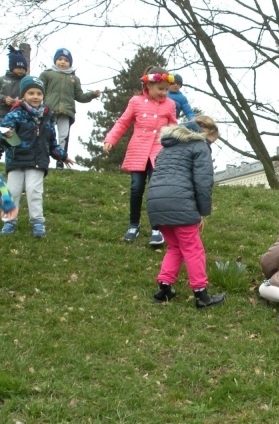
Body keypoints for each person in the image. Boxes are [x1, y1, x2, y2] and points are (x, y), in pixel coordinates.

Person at [145, 116, 225, 309]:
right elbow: (203, 182)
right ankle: (201, 295)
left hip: (156, 202)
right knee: (193, 248)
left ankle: (164, 288)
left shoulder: (167, 147)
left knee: (175, 247)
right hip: (180, 201)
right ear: (206, 133)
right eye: (211, 141)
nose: (210, 145)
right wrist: (202, 212)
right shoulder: (199, 146)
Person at [104, 67, 178, 246]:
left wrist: (176, 147)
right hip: (138, 150)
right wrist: (110, 140)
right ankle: (133, 224)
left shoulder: (170, 105)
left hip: (159, 151)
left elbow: (173, 127)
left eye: (166, 89)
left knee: (156, 190)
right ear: (148, 85)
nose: (163, 93)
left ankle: (156, 228)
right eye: (160, 89)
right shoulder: (136, 102)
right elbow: (123, 122)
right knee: (136, 188)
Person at [0, 76, 74, 237]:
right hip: (16, 160)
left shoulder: (47, 116)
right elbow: (3, 134)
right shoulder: (15, 115)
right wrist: (6, 134)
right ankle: (9, 222)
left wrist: (62, 156)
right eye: (31, 93)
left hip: (38, 161)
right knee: (12, 192)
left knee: (34, 191)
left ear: (43, 96)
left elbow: (52, 142)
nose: (35, 96)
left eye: (39, 93)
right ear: (23, 96)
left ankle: (38, 222)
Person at [38, 48, 101, 169]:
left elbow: (80, 96)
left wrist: (92, 94)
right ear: (55, 60)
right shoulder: (46, 74)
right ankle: (43, 159)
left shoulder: (74, 79)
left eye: (66, 60)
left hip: (66, 112)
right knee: (45, 135)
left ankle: (60, 161)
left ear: (70, 63)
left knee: (63, 136)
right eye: (60, 59)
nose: (62, 62)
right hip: (48, 110)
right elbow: (39, 90)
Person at [0, 45, 28, 120]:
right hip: (2, 114)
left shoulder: (27, 81)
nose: (21, 70)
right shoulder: (2, 79)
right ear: (12, 67)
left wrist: (23, 100)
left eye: (23, 68)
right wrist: (4, 99)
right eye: (19, 67)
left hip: (21, 114)